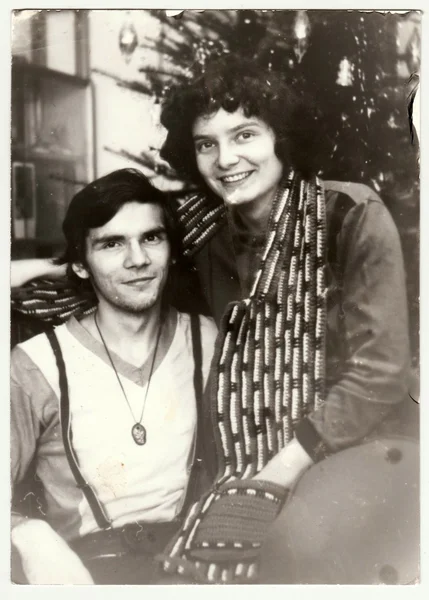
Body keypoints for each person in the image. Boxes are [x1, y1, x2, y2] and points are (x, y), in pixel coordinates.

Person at [11, 56, 419, 585]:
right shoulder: (203, 231)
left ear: (280, 138)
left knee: (297, 551)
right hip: (243, 459)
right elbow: (115, 260)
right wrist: (29, 267)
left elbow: (380, 373)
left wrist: (276, 473)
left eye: (245, 135)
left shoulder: (348, 213)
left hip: (357, 451)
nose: (226, 159)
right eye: (207, 143)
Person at [10, 169, 218, 584]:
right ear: (81, 266)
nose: (137, 259)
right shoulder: (36, 365)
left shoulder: (209, 339)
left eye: (151, 238)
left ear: (171, 250)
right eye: (111, 244)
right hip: (90, 571)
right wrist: (28, 534)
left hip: (197, 562)